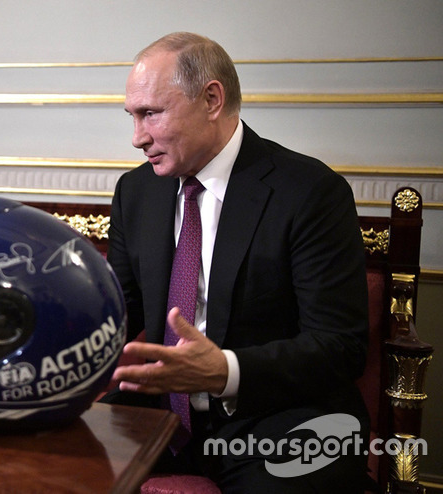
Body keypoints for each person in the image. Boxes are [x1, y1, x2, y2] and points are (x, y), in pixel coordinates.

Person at [105, 33, 370, 492]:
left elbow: (339, 347)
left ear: (211, 99)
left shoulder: (309, 192)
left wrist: (224, 371)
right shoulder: (137, 192)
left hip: (278, 419)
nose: (137, 138)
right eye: (132, 116)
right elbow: (117, 315)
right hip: (157, 411)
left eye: (151, 113)